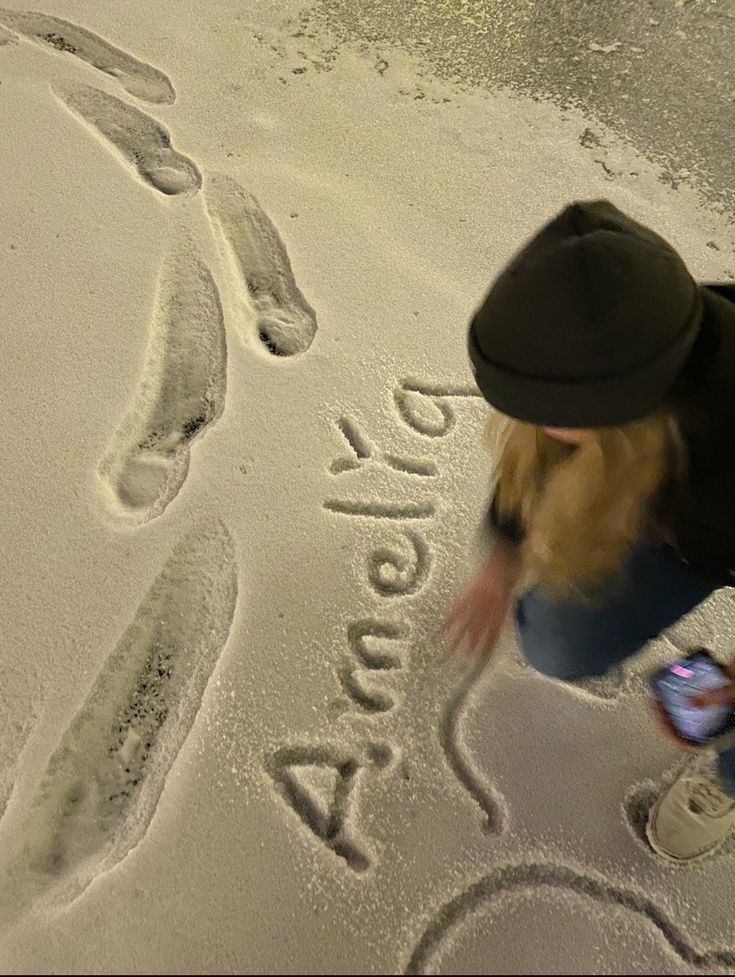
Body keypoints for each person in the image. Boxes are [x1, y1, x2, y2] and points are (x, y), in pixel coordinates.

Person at [442, 199, 735, 861]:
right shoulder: (630, 347)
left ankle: (729, 777)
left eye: (557, 415)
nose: (543, 427)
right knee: (559, 643)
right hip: (680, 527)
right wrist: (502, 553)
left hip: (715, 511)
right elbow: (540, 456)